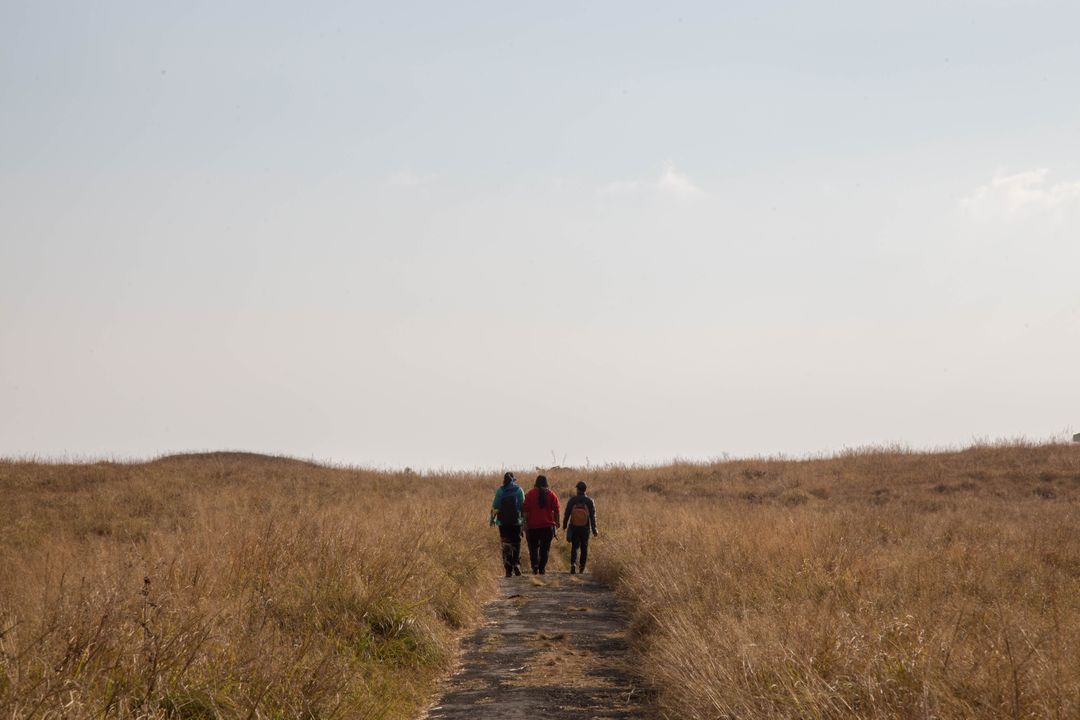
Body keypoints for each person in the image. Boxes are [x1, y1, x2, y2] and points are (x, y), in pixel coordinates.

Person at [522, 475, 561, 574]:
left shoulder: (530, 494)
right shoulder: (552, 495)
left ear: (536, 483)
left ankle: (535, 565)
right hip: (547, 527)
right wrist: (557, 522)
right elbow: (556, 510)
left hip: (532, 527)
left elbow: (525, 511)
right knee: (545, 549)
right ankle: (542, 568)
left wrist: (524, 523)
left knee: (533, 548)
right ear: (546, 483)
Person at [490, 472, 525, 577]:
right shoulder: (519, 490)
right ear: (513, 480)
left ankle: (508, 570)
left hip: (503, 523)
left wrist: (492, 519)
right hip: (516, 522)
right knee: (517, 543)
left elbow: (495, 506)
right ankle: (517, 565)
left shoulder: (500, 491)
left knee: (506, 545)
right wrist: (523, 522)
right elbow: (523, 507)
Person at [562, 480, 598, 574]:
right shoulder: (590, 501)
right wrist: (594, 529)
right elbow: (592, 516)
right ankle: (581, 568)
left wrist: (564, 525)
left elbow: (567, 514)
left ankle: (573, 564)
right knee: (584, 547)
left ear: (577, 489)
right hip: (585, 528)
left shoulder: (572, 500)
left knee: (574, 546)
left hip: (574, 526)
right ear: (585, 490)